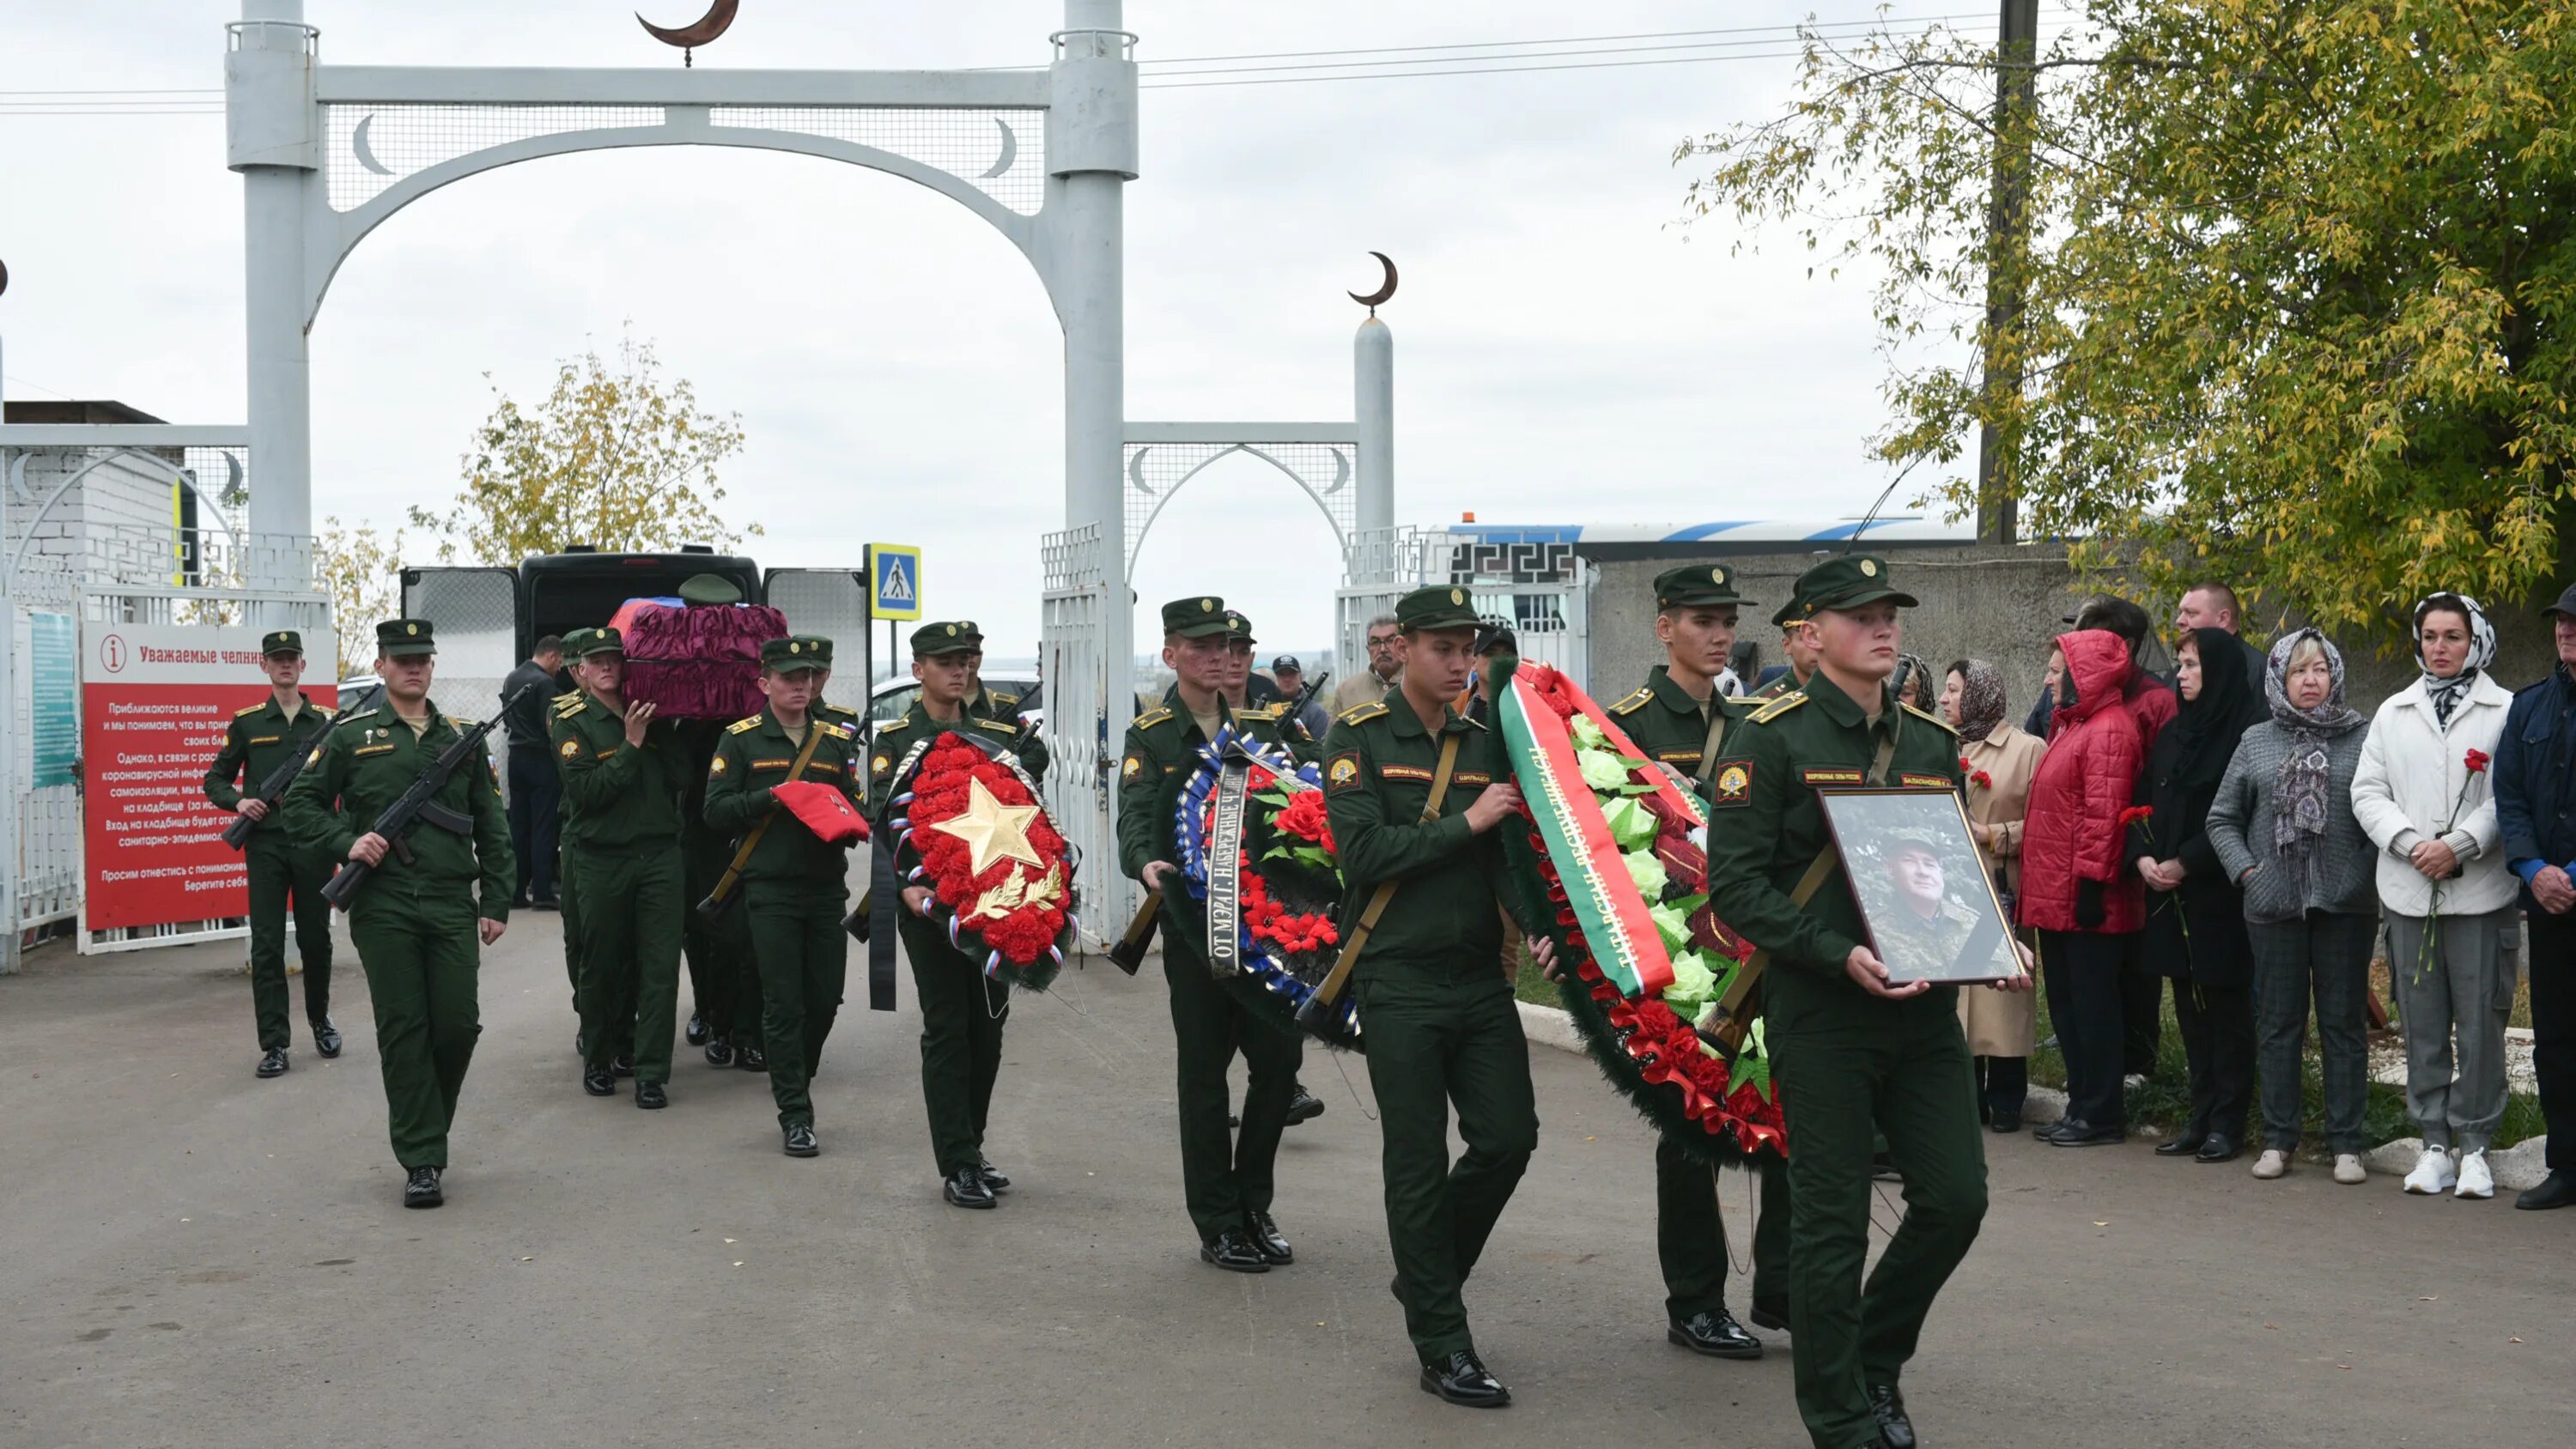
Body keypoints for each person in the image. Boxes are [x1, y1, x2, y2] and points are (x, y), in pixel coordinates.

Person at [1703, 555, 2026, 1449]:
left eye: (1890, 612)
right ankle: (1841, 1417)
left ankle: (1873, 1354)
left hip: (1922, 1011)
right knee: (1831, 1219)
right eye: (1860, 614)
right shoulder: (1767, 738)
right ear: (1811, 631)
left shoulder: (1927, 740)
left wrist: (1988, 938)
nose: (1884, 626)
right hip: (1824, 1009)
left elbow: (1943, 864)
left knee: (1957, 1198)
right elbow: (1735, 886)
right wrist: (1832, 949)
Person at [1321, 584, 1552, 1409]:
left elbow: (1504, 858)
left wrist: (1541, 929)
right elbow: (1364, 854)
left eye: (1469, 650)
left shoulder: (1483, 738)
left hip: (1476, 979)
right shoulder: (1356, 737)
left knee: (1509, 1138)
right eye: (1444, 649)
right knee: (1416, 1162)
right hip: (1398, 979)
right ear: (1405, 648)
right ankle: (1442, 1341)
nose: (1460, 664)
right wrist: (1467, 822)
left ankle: (1425, 1277)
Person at [1598, 564, 1790, 1356]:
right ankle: (1695, 1299)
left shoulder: (1754, 723)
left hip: (1759, 943)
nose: (1718, 636)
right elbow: (1599, 844)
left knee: (1783, 1106)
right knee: (1689, 1121)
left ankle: (1782, 1288)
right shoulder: (1625, 726)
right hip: (1675, 951)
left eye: (1726, 622)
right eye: (1701, 621)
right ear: (1663, 627)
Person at [283, 619, 512, 1209]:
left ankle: (427, 1123)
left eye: (423, 659)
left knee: (458, 1024)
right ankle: (422, 1158)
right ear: (382, 666)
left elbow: (491, 825)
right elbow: (300, 808)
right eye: (401, 659)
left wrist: (497, 901)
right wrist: (348, 843)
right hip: (384, 905)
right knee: (404, 1028)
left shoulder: (461, 737)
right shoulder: (351, 737)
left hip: (448, 900)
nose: (414, 668)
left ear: (432, 666)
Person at [1118, 598, 1311, 1269]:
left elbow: (1307, 804)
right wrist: (1147, 864)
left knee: (1281, 1065)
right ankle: (1217, 1219)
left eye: (1228, 645)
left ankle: (1253, 1201)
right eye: (1201, 647)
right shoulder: (1154, 734)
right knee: (1204, 1075)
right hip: (1196, 931)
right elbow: (1135, 817)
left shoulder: (1267, 729)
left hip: (1269, 931)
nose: (1219, 656)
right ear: (1171, 655)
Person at [870, 621, 1046, 1208]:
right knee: (949, 1027)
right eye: (946, 661)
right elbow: (883, 816)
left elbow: (1033, 785)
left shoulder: (995, 727)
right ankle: (957, 1162)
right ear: (919, 669)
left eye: (967, 659)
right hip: (930, 903)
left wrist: (999, 721)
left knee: (988, 1031)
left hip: (997, 900)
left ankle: (971, 1144)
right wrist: (910, 886)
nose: (959, 669)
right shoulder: (897, 739)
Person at [2352, 594, 2516, 1199]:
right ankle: (2434, 1144)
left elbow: (2510, 796)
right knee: (2422, 1024)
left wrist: (2462, 843)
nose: (2441, 647)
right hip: (2409, 890)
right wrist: (2410, 842)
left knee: (2479, 1025)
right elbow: (2368, 791)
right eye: (2430, 636)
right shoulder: (2394, 712)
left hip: (2479, 893)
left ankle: (2475, 1145)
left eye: (2454, 636)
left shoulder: (2504, 710)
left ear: (2476, 641)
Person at [2204, 629, 2377, 1185]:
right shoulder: (2257, 739)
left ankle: (2346, 1143)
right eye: (2298, 671)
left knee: (2343, 1026)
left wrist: (2354, 876)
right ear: (2279, 679)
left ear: (2335, 677)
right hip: (2272, 906)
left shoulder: (2364, 737)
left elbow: (2383, 818)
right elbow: (2221, 819)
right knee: (2279, 1024)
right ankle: (2280, 1140)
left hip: (2345, 908)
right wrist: (2250, 874)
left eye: (2320, 670)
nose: (2310, 680)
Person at [704, 636, 867, 1158]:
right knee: (783, 1003)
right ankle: (795, 1112)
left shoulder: (833, 741)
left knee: (824, 999)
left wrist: (849, 821)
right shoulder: (741, 739)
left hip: (824, 890)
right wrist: (771, 797)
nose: (802, 684)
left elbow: (856, 803)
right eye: (791, 676)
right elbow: (715, 810)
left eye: (810, 676)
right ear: (765, 683)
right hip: (769, 889)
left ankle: (798, 1071)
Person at [2129, 627, 2266, 1164]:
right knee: (2188, 1008)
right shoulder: (2174, 733)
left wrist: (2187, 860)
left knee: (2226, 1010)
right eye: (2179, 664)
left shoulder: (2244, 735)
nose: (2179, 675)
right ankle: (2199, 1113)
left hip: (2218, 896)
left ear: (2220, 672)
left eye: (2190, 666)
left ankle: (2228, 1121)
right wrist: (2142, 857)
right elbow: (2140, 802)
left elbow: (2242, 819)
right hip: (2168, 893)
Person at [2018, 628, 2146, 1147]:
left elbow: (2104, 816)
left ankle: (2101, 1113)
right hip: (2059, 896)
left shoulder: (2109, 729)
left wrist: (2093, 885)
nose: (2049, 679)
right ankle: (2082, 1106)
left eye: (2056, 670)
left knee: (2094, 1010)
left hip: (2087, 900)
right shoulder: (2075, 726)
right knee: (2070, 1008)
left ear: (2083, 674)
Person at [550, 627, 685, 1110]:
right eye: (597, 660)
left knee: (660, 967)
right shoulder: (570, 721)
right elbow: (588, 793)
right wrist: (631, 745)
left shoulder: (650, 713)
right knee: (601, 962)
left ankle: (651, 1072)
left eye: (615, 658)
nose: (608, 666)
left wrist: (665, 729)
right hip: (600, 857)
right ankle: (600, 1057)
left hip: (659, 857)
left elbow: (681, 779)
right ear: (580, 670)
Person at [203, 629, 343, 1078]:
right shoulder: (247, 722)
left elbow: (346, 782)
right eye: (276, 659)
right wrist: (239, 802)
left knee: (316, 940)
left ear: (303, 666)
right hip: (264, 845)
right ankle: (275, 1043)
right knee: (266, 946)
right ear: (263, 665)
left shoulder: (326, 721)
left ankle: (320, 1019)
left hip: (313, 845)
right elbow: (215, 780)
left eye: (292, 658)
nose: (285, 665)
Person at [2497, 584, 2576, 1211]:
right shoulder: (2530, 707)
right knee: (2555, 1036)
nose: (2567, 631)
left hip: (2566, 883)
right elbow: (2512, 796)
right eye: (2561, 622)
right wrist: (2531, 867)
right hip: (2548, 901)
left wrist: (2568, 871)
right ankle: (2566, 1166)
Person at [1943, 658, 2044, 1131]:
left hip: (2003, 886)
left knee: (2003, 998)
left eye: (1954, 691)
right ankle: (1966, 1098)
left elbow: (2046, 824)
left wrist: (1994, 834)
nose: (1944, 700)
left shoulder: (2028, 749)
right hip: (1951, 890)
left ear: (1980, 694)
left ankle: (2007, 1097)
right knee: (1960, 997)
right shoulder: (1941, 745)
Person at [665, 573, 761, 1069]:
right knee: (697, 924)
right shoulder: (672, 686)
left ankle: (737, 1023)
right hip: (694, 826)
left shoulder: (746, 683)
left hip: (740, 821)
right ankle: (707, 1007)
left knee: (739, 928)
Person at [501, 635, 565, 910]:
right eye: (560, 662)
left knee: (519, 825)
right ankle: (541, 892)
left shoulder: (512, 677)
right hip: (540, 759)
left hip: (516, 757)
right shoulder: (545, 683)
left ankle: (516, 891)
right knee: (543, 825)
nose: (560, 668)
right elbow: (551, 725)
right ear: (551, 656)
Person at [2173, 582, 2270, 692]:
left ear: (2223, 619)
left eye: (2191, 613)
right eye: (2180, 613)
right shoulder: (2177, 673)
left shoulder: (2257, 671)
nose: (2179, 621)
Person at [1332, 613, 1403, 713]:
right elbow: (1335, 729)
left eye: (1390, 641)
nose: (1383, 649)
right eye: (1375, 642)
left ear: (1403, 646)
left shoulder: (1421, 686)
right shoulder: (1346, 691)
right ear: (1368, 649)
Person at [1749, 603, 1820, 700]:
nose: (1818, 646)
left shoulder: (1845, 695)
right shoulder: (1764, 702)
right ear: (1787, 645)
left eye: (1825, 637)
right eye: (1807, 638)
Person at [1272, 655, 1329, 739]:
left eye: (1291, 674)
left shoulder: (1316, 713)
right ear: (1274, 679)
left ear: (1300, 677)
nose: (1287, 679)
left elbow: (1319, 748)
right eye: (1281, 675)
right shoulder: (1266, 708)